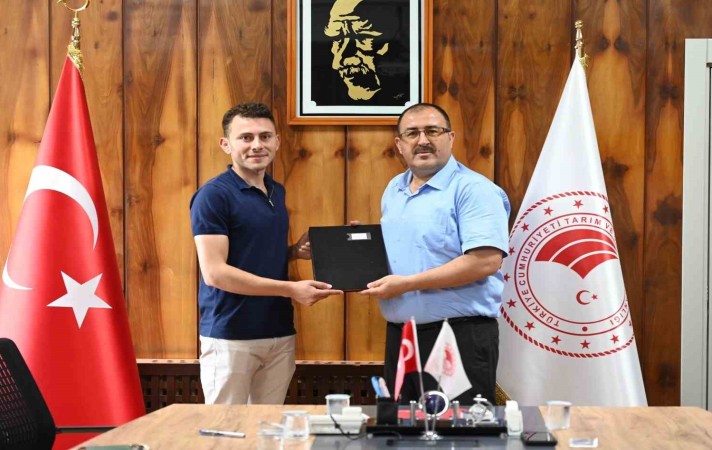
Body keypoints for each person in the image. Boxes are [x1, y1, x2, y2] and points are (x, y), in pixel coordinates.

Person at [190, 102, 342, 404]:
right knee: (226, 428)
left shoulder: (276, 190)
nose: (257, 145)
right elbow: (216, 273)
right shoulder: (213, 196)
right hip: (230, 335)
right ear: (226, 144)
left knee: (269, 426)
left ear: (277, 141)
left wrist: (294, 252)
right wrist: (291, 289)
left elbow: (251, 254)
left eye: (265, 136)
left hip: (278, 331)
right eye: (246, 137)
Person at [361, 103, 511, 405]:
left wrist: (407, 284)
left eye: (432, 131)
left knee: (459, 428)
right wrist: (357, 246)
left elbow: (485, 261)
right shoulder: (394, 189)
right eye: (412, 133)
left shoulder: (473, 190)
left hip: (458, 338)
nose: (423, 140)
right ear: (399, 144)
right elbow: (409, 248)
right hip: (402, 337)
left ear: (450, 138)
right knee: (403, 427)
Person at [311, 0, 410, 106]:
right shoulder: (318, 89)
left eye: (362, 38)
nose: (340, 61)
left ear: (390, 46)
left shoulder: (407, 90)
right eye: (337, 39)